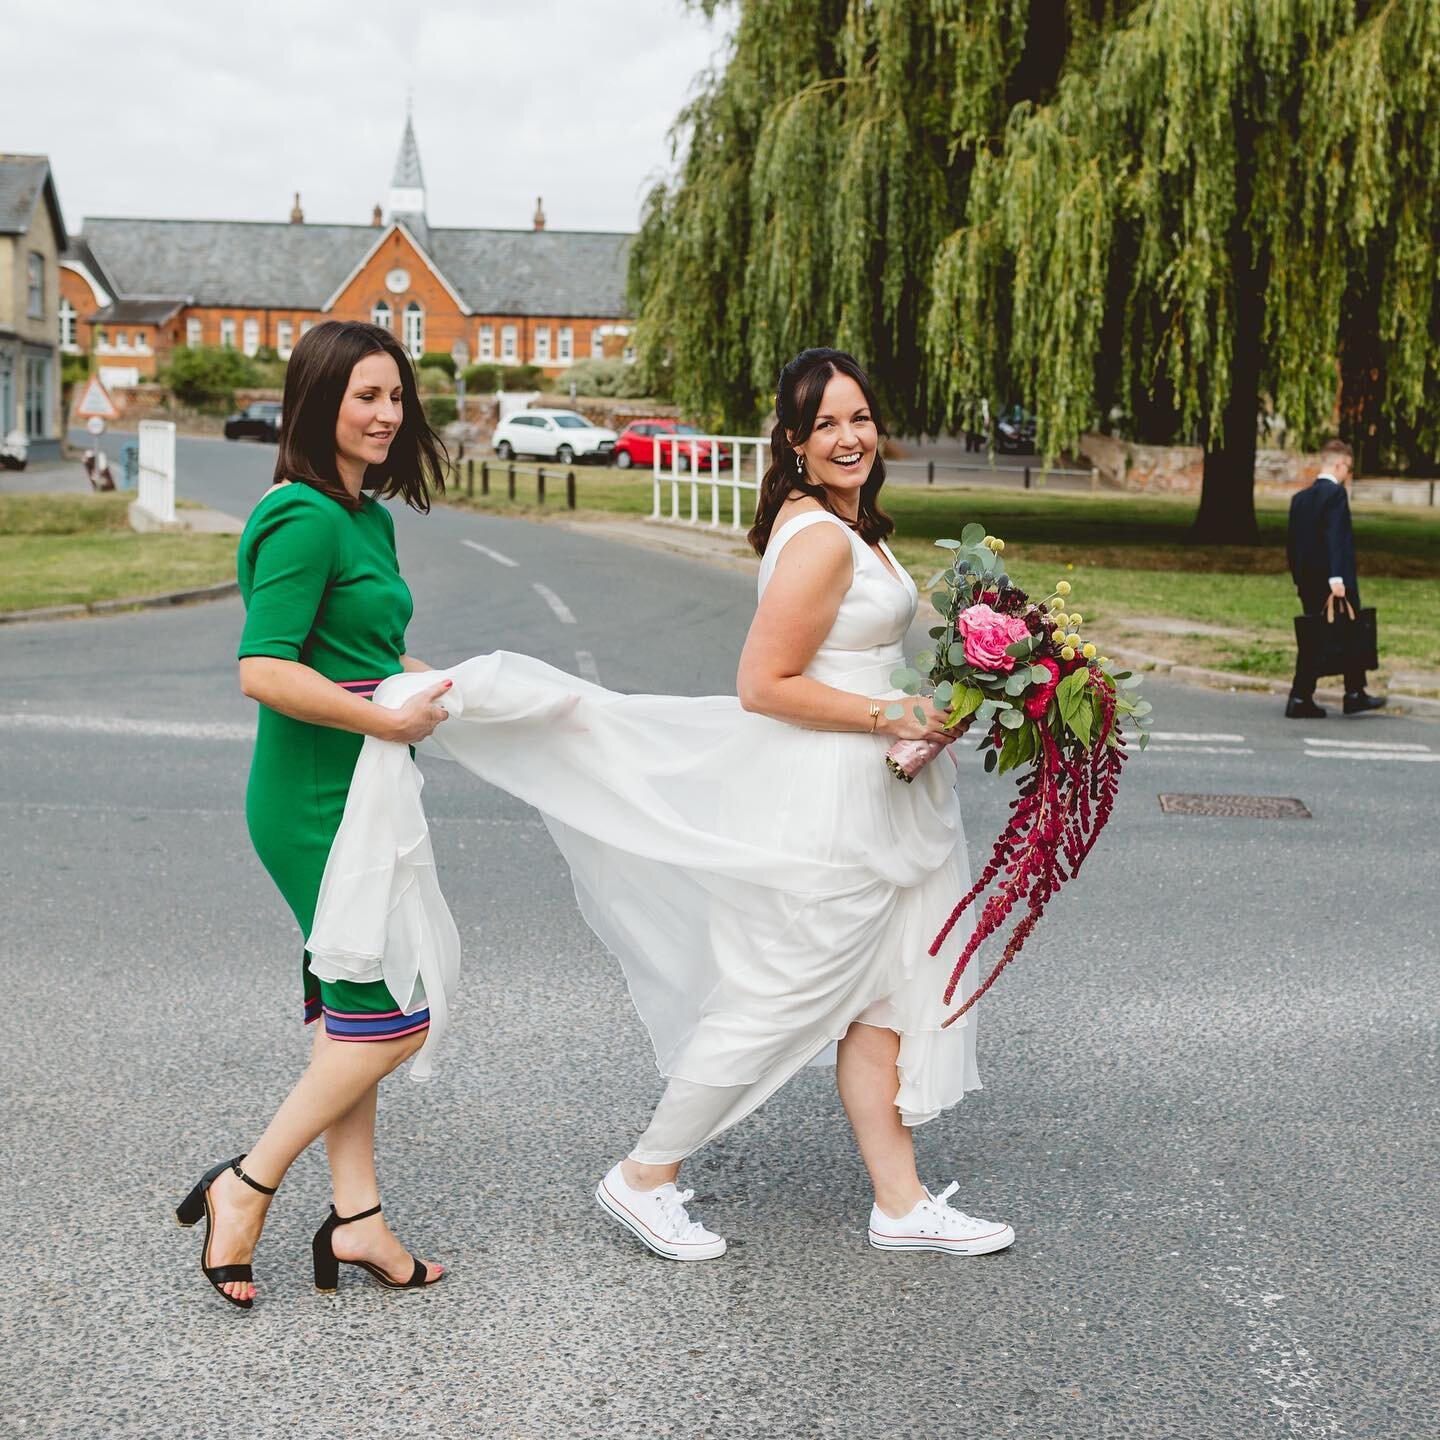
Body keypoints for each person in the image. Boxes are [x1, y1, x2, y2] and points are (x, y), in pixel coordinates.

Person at [335, 347, 1015, 1262]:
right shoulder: (819, 539)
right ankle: (646, 1173)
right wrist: (894, 709)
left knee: (883, 1000)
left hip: (881, 791)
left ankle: (900, 1201)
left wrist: (948, 698)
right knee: (781, 999)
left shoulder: (850, 526)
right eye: (826, 427)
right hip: (832, 805)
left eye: (860, 419)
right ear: (794, 444)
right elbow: (764, 685)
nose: (850, 438)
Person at [174, 321, 455, 1308]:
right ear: (316, 402)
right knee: (391, 1020)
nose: (385, 415)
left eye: (395, 397)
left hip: (365, 794)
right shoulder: (300, 516)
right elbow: (265, 668)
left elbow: (365, 652)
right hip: (311, 801)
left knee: (351, 1017)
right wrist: (384, 710)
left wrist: (461, 688)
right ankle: (244, 1188)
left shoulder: (366, 519)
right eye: (364, 396)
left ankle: (360, 1220)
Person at [1285, 437, 1385, 719]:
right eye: (1348, 468)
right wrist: (1337, 579)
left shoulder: (1300, 500)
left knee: (1327, 636)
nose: (1347, 474)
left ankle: (1352, 692)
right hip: (1334, 582)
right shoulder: (1336, 495)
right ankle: (1306, 696)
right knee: (1343, 634)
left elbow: (1294, 545)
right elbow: (1336, 538)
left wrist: (1299, 579)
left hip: (1308, 582)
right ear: (1339, 464)